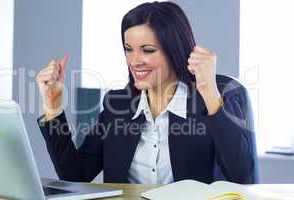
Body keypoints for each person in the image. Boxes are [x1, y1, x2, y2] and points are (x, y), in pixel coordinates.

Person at [36, 1, 257, 184]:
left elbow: (243, 177)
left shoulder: (212, 100)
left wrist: (209, 91)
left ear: (175, 50)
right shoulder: (118, 105)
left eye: (148, 50)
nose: (134, 61)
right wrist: (53, 108)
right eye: (128, 49)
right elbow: (75, 175)